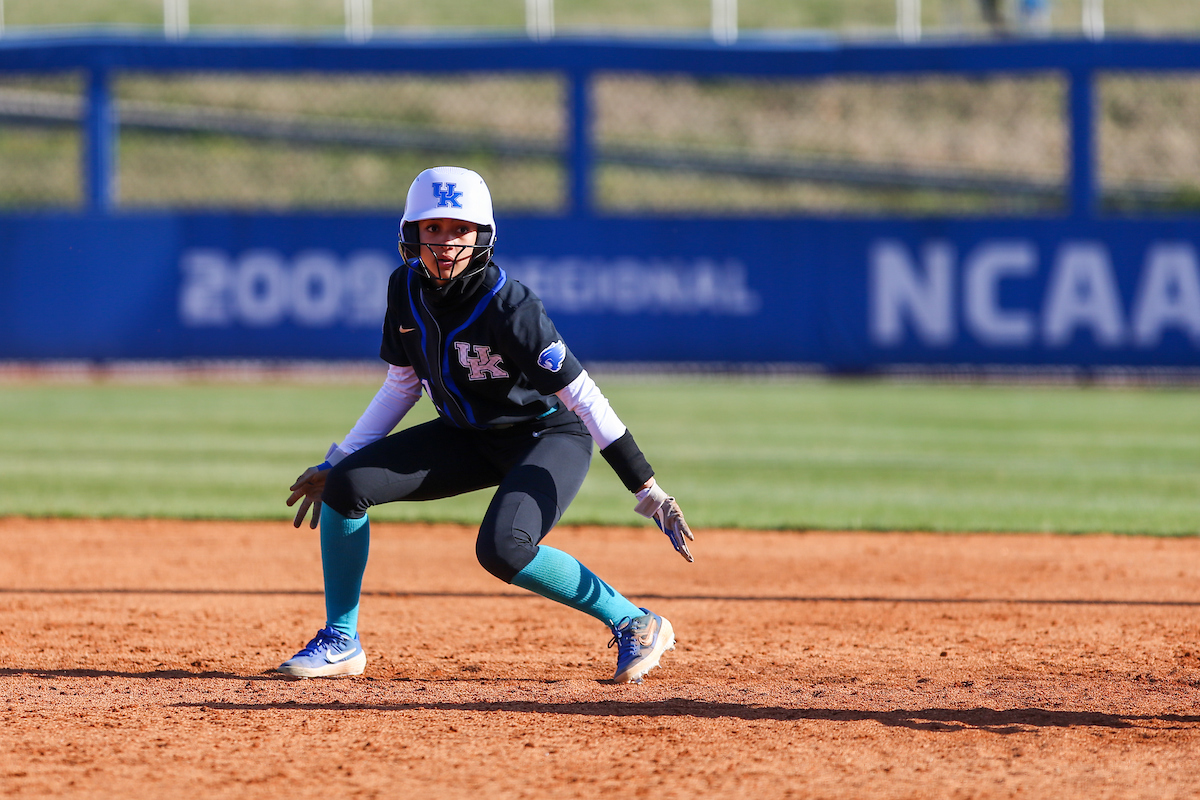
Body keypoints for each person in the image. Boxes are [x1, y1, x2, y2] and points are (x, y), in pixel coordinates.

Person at [279, 166, 695, 684]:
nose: (447, 242)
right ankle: (341, 640)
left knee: (502, 548)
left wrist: (646, 486)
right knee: (346, 487)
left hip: (546, 435)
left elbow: (583, 396)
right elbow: (402, 385)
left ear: (482, 237)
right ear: (411, 233)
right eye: (434, 229)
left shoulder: (509, 305)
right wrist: (339, 461)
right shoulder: (403, 288)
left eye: (460, 229)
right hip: (466, 436)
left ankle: (636, 621)